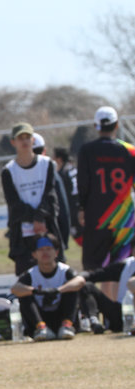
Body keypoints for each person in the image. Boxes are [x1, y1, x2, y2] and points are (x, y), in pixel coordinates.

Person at [77, 106, 135, 292]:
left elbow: (83, 183)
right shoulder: (130, 151)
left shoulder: (87, 150)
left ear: (96, 126)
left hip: (97, 217)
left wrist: (81, 208)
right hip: (124, 219)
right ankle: (120, 307)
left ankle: (103, 307)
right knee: (122, 268)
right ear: (116, 125)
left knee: (96, 270)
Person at [1, 122, 62, 276]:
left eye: (28, 137)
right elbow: (13, 203)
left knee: (54, 273)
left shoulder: (47, 164)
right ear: (13, 142)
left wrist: (40, 218)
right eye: (20, 138)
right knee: (26, 276)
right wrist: (33, 219)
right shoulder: (8, 171)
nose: (25, 141)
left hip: (47, 228)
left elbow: (50, 195)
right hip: (23, 233)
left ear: (33, 140)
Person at [10, 234, 85, 341]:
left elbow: (80, 281)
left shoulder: (64, 270)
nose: (45, 253)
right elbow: (15, 288)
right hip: (41, 318)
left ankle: (67, 325)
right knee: (24, 294)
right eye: (41, 250)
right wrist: (37, 291)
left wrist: (58, 290)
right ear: (34, 254)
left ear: (56, 252)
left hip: (61, 315)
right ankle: (41, 328)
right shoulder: (31, 274)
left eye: (49, 249)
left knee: (72, 289)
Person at [32, 134, 72, 250]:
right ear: (44, 151)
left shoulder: (15, 173)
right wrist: (63, 240)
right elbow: (63, 212)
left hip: (25, 242)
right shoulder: (52, 175)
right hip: (51, 238)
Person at [53, 147, 80, 243]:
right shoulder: (73, 168)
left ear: (59, 159)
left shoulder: (62, 174)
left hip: (72, 208)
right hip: (81, 204)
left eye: (54, 157)